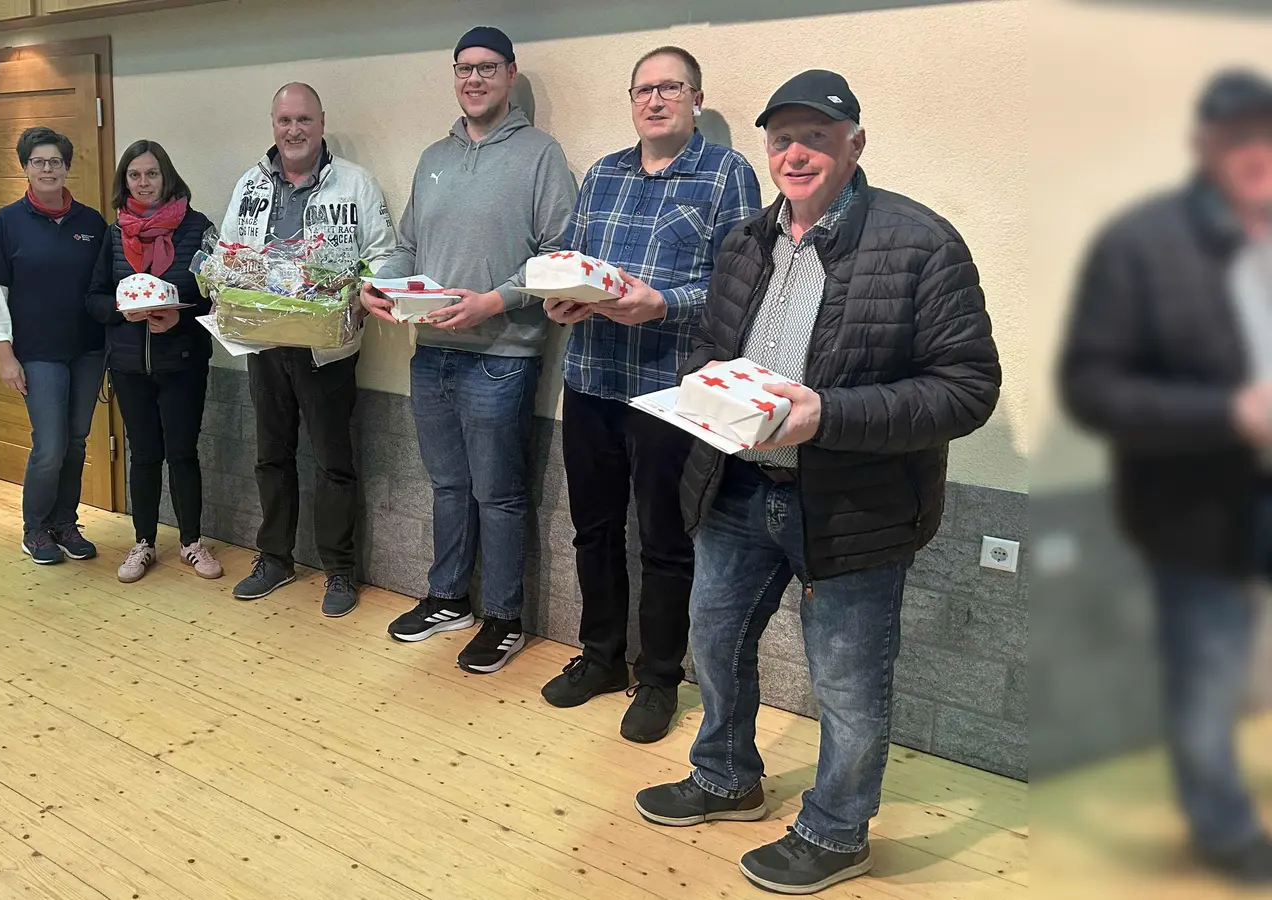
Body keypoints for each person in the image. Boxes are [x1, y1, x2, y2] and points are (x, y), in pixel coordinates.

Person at [632, 70, 1000, 894]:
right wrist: (711, 395)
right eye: (782, 138)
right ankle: (727, 778)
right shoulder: (747, 240)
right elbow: (710, 350)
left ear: (855, 144)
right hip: (735, 488)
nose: (795, 153)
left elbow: (968, 388)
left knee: (849, 682)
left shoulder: (921, 243)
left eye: (817, 137)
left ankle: (838, 833)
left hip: (853, 507)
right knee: (716, 645)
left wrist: (826, 414)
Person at [1059, 69, 1272, 885]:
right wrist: (1229, 413)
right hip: (1199, 502)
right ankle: (1221, 827)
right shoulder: (1142, 243)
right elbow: (1094, 386)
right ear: (1203, 146)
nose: (1258, 152)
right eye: (1238, 136)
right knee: (1210, 671)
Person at [539, 46, 760, 743]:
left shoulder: (729, 175)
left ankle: (659, 677)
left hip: (671, 392)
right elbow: (575, 261)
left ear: (696, 97)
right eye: (644, 89)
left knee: (666, 540)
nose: (655, 99)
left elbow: (742, 287)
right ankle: (601, 656)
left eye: (671, 87)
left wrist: (663, 303)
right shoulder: (603, 173)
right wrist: (560, 298)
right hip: (592, 380)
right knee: (594, 531)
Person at [361, 26, 576, 673]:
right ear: (454, 76)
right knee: (449, 485)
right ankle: (449, 597)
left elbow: (559, 256)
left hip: (502, 355)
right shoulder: (434, 157)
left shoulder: (541, 156)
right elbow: (407, 244)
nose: (474, 79)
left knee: (499, 493)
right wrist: (379, 284)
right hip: (431, 353)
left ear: (510, 75)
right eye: (464, 69)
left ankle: (505, 617)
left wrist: (493, 300)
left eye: (487, 68)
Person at [219, 83, 396, 617]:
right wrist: (223, 278)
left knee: (333, 463)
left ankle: (339, 570)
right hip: (266, 345)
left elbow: (386, 254)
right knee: (271, 459)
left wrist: (367, 293)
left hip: (328, 350)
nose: (293, 131)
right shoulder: (250, 183)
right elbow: (229, 251)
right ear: (272, 125)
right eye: (284, 121)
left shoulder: (355, 184)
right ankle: (274, 558)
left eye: (303, 120)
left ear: (321, 123)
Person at [86, 140, 222, 584]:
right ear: (124, 181)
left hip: (182, 361)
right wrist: (121, 313)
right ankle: (143, 541)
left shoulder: (198, 227)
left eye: (152, 174)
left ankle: (191, 542)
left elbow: (218, 297)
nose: (143, 183)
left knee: (182, 454)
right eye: (134, 175)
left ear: (168, 177)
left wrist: (178, 318)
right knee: (143, 456)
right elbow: (95, 298)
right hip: (128, 364)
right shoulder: (112, 234)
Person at [0, 126, 108, 565]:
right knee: (49, 446)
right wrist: (4, 354)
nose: (47, 169)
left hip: (88, 349)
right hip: (37, 353)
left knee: (76, 441)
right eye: (38, 162)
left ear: (67, 167)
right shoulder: (6, 222)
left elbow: (105, 285)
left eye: (55, 161)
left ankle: (64, 524)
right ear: (26, 169)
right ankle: (35, 529)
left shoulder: (91, 223)